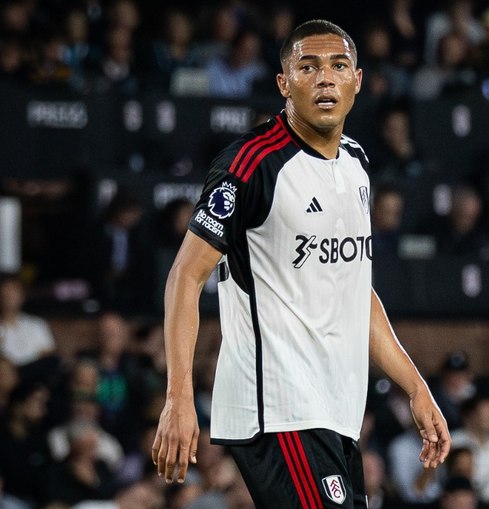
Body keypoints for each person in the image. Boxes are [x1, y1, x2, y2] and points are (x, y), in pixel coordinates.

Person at [151, 19, 451, 508]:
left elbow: (354, 292)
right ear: (284, 84)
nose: (325, 78)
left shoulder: (356, 163)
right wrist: (179, 398)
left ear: (357, 80)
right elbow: (186, 277)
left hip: (338, 410)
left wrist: (416, 387)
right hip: (279, 405)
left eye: (338, 66)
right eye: (307, 67)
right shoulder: (250, 163)